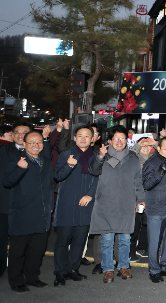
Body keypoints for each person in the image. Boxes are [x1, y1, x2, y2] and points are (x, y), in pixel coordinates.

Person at [88, 125, 144, 283]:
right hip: (106, 202)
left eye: (123, 138)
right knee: (107, 239)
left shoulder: (132, 158)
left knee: (126, 238)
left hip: (126, 202)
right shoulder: (102, 156)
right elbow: (93, 171)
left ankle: (123, 267)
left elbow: (138, 180)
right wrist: (100, 156)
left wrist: (141, 198)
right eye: (116, 139)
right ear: (110, 140)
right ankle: (108, 269)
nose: (119, 142)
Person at [3, 128, 53, 293]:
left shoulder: (45, 162)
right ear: (24, 144)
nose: (36, 145)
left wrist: (50, 207)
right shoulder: (16, 161)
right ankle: (16, 281)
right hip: (22, 214)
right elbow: (8, 182)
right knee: (17, 251)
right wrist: (19, 168)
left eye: (39, 142)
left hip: (41, 214)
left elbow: (49, 186)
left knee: (36, 251)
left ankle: (33, 278)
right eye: (31, 142)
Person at [52, 125, 98, 287]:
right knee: (63, 241)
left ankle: (73, 269)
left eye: (87, 136)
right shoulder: (66, 155)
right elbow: (57, 175)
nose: (83, 138)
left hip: (86, 205)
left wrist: (90, 195)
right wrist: (69, 165)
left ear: (92, 138)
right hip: (67, 204)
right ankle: (60, 272)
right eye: (80, 135)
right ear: (75, 137)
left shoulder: (96, 156)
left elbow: (98, 179)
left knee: (79, 241)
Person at [142, 137, 166, 283]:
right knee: (154, 241)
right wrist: (159, 173)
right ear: (158, 149)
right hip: (157, 209)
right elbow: (147, 184)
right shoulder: (151, 162)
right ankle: (154, 270)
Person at [0, 122, 32, 280]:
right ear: (12, 135)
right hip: (5, 204)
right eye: (17, 132)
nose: (20, 135)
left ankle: (21, 271)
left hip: (26, 206)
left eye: (24, 132)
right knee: (1, 239)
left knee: (22, 242)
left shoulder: (35, 152)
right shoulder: (4, 150)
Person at [131, 136, 156, 260]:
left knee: (147, 225)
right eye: (143, 145)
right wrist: (138, 145)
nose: (146, 147)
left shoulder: (154, 159)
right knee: (135, 225)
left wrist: (155, 144)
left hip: (151, 197)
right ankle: (130, 252)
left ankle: (142, 247)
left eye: (148, 145)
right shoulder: (134, 159)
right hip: (136, 196)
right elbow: (128, 155)